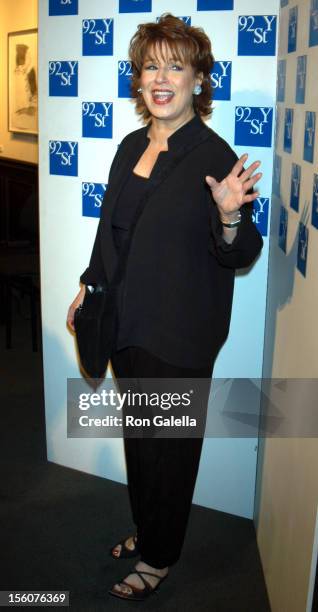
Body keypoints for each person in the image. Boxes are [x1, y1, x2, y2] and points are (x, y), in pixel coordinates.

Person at [67, 13, 263, 602]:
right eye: (151, 65)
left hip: (178, 333)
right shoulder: (130, 146)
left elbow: (242, 249)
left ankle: (161, 556)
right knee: (141, 441)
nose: (162, 77)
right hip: (126, 321)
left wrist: (228, 214)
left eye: (176, 66)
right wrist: (88, 285)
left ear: (199, 80)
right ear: (138, 78)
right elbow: (112, 232)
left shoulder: (214, 154)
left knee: (171, 451)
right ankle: (149, 531)